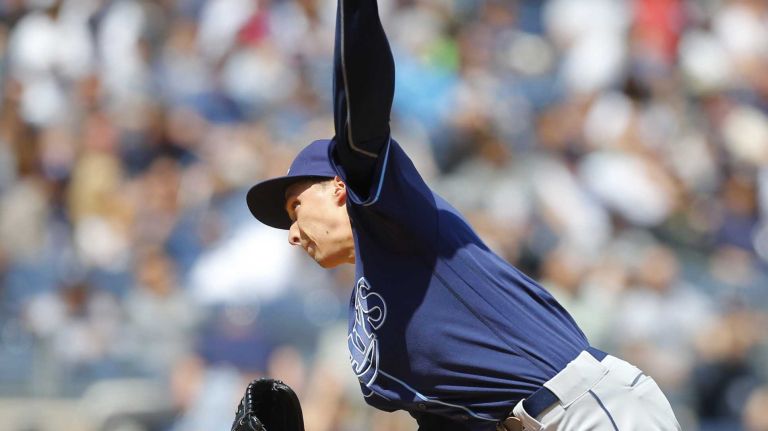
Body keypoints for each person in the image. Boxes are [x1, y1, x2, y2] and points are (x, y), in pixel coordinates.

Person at [245, 0, 681, 430]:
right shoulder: (371, 314)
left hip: (580, 410)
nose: (293, 233)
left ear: (341, 189)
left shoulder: (397, 222)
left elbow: (360, 106)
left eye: (295, 208)